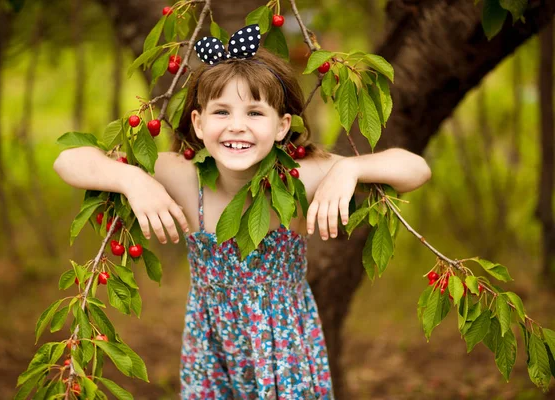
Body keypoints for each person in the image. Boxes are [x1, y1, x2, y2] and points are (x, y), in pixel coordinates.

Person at [53, 25, 431, 400]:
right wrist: (132, 180)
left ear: (282, 126)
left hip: (284, 351)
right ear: (198, 124)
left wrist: (351, 168)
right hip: (211, 346)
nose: (237, 126)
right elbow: (68, 160)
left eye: (254, 112)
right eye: (221, 112)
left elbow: (415, 169)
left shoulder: (302, 176)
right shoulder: (183, 177)